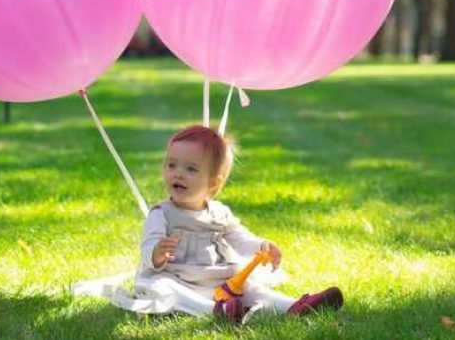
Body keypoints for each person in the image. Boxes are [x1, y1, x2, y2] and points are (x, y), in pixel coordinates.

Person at [137, 125, 343, 323]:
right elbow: (148, 245)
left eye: (191, 169)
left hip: (218, 279)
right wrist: (156, 253)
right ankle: (215, 311)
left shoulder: (219, 213)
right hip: (178, 278)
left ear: (213, 183)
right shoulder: (162, 213)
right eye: (171, 164)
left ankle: (294, 306)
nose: (178, 173)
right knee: (161, 287)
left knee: (251, 288)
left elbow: (239, 237)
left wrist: (261, 246)